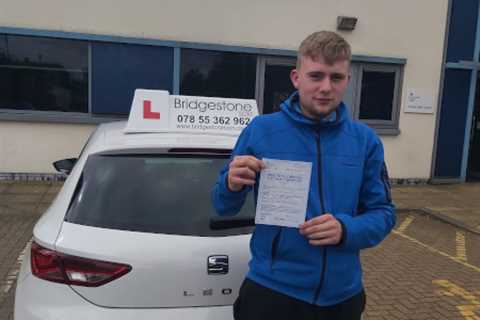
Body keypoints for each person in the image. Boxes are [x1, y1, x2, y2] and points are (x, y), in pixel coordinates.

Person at [211, 31, 396, 320]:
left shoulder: (365, 141)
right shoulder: (261, 131)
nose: (325, 87)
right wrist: (231, 184)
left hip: (342, 298)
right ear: (297, 78)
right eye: (316, 76)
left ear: (347, 80)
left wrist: (346, 230)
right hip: (272, 293)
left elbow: (383, 214)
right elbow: (223, 206)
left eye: (336, 77)